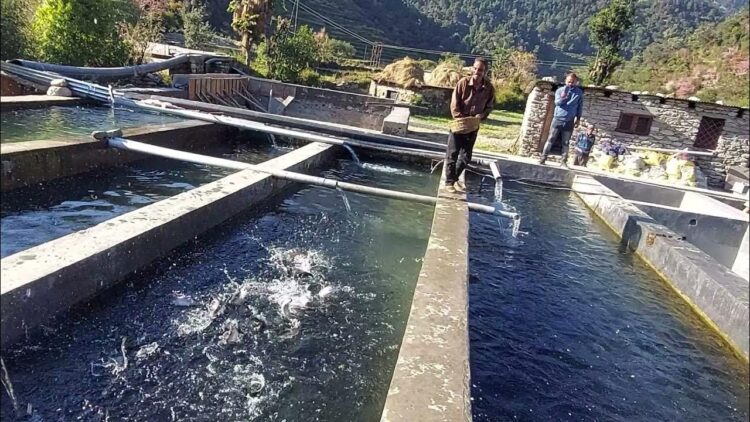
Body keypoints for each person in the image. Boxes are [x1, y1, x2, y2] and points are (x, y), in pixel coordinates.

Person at [445, 57, 495, 193]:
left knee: (466, 157)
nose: (477, 72)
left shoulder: (489, 88)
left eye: (481, 70)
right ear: (473, 68)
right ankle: (449, 182)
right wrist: (461, 119)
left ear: (485, 71)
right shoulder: (463, 83)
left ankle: (454, 179)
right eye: (476, 69)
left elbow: (489, 106)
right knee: (452, 154)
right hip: (459, 124)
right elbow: (454, 104)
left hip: (473, 126)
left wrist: (481, 116)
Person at [538, 72, 584, 168]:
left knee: (566, 142)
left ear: (576, 82)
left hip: (569, 120)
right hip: (558, 119)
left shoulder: (579, 92)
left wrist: (578, 118)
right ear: (565, 81)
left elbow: (580, 106)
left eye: (572, 82)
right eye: (569, 81)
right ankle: (543, 158)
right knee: (551, 139)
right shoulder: (560, 90)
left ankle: (563, 161)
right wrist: (564, 97)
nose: (570, 84)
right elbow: (557, 103)